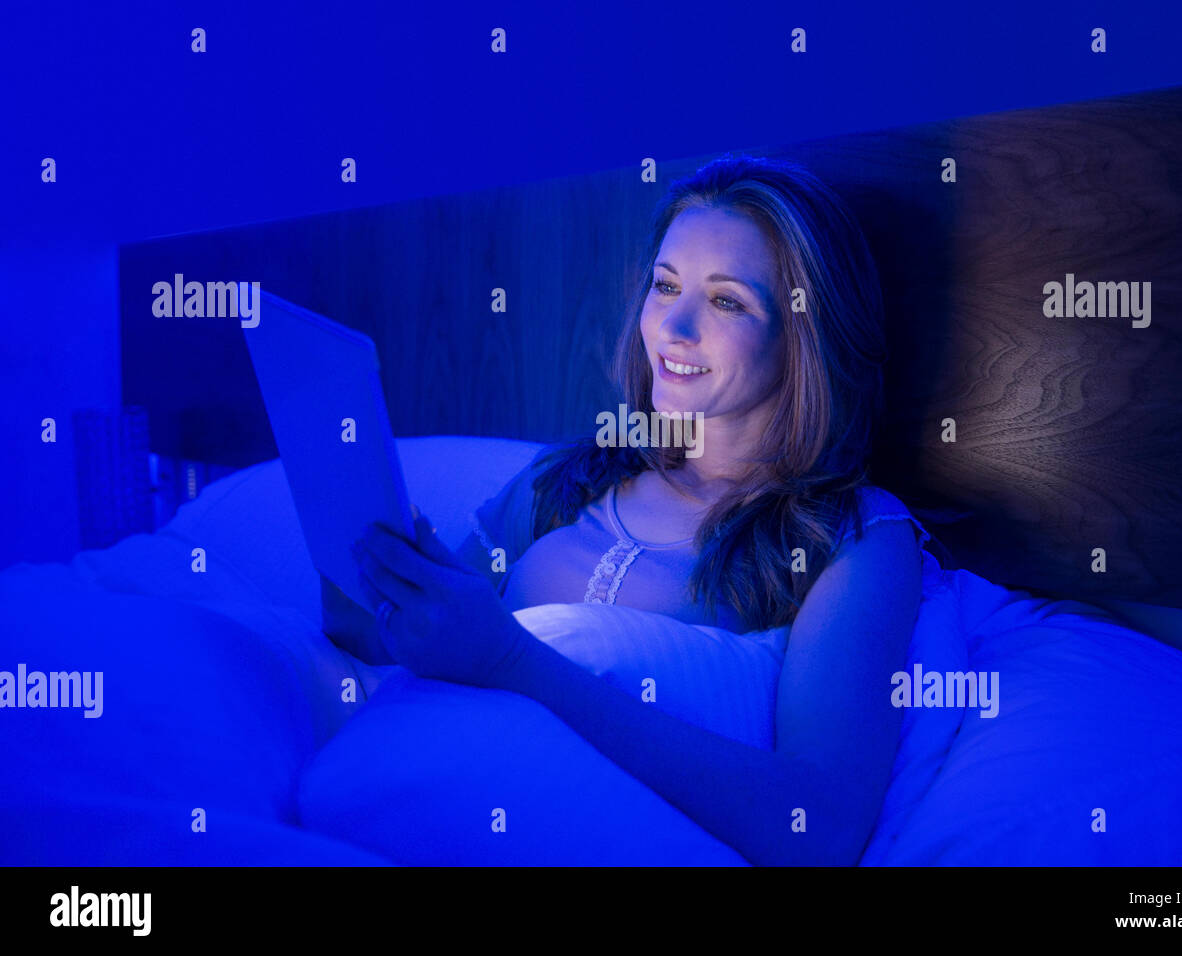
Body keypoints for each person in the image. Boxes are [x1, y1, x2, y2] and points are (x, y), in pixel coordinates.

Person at [323, 153, 929, 866]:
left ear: (804, 332)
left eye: (727, 300)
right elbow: (374, 641)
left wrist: (513, 661)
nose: (674, 326)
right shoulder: (567, 479)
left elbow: (817, 825)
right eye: (664, 285)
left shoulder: (855, 539)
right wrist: (369, 566)